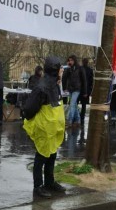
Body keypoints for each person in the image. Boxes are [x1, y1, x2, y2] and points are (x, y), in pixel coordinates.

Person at [21, 56, 66, 199]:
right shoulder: (42, 87)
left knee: (52, 154)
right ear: (55, 70)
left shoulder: (54, 85)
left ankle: (49, 182)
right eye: (60, 69)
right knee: (41, 156)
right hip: (44, 128)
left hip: (52, 128)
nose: (62, 71)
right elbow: (29, 108)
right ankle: (38, 186)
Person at [61, 55, 86, 127]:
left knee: (72, 104)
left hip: (77, 89)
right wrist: (64, 88)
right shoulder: (69, 69)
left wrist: (85, 92)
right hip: (70, 89)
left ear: (74, 60)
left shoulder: (80, 68)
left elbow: (84, 80)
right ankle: (78, 121)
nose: (70, 62)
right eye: (69, 60)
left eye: (71, 60)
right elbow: (64, 77)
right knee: (74, 105)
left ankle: (69, 121)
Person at [80, 58, 94, 126]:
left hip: (79, 89)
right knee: (84, 105)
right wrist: (90, 90)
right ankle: (82, 117)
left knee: (75, 103)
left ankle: (78, 117)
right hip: (87, 90)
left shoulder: (79, 69)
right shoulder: (90, 70)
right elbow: (91, 81)